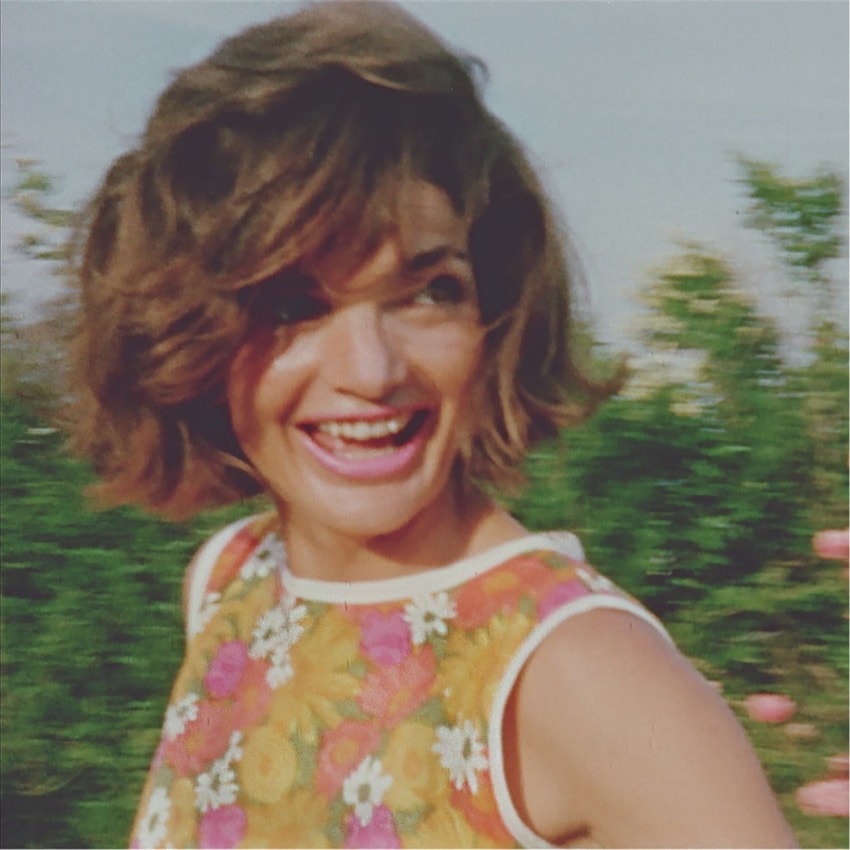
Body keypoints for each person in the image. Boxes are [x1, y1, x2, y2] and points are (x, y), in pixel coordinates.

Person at [68, 2, 797, 847]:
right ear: (189, 326)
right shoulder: (228, 582)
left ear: (495, 309)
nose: (371, 371)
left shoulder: (582, 673)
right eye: (293, 305)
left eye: (426, 291)